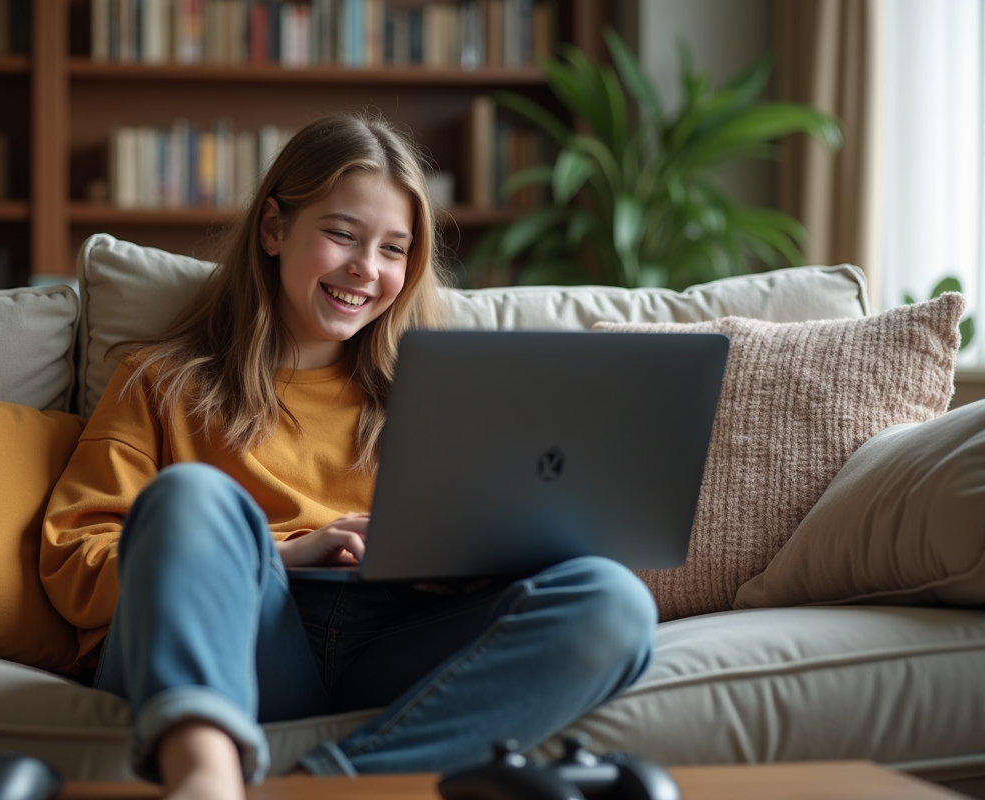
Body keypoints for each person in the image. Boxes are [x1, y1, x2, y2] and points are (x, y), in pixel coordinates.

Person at [40, 112, 658, 800]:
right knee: (192, 495)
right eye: (341, 234)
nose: (367, 269)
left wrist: (466, 573)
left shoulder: (440, 392)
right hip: (246, 629)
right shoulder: (161, 382)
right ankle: (205, 783)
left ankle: (326, 791)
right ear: (274, 229)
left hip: (394, 636)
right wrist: (280, 554)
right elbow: (75, 566)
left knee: (614, 602)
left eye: (394, 249)